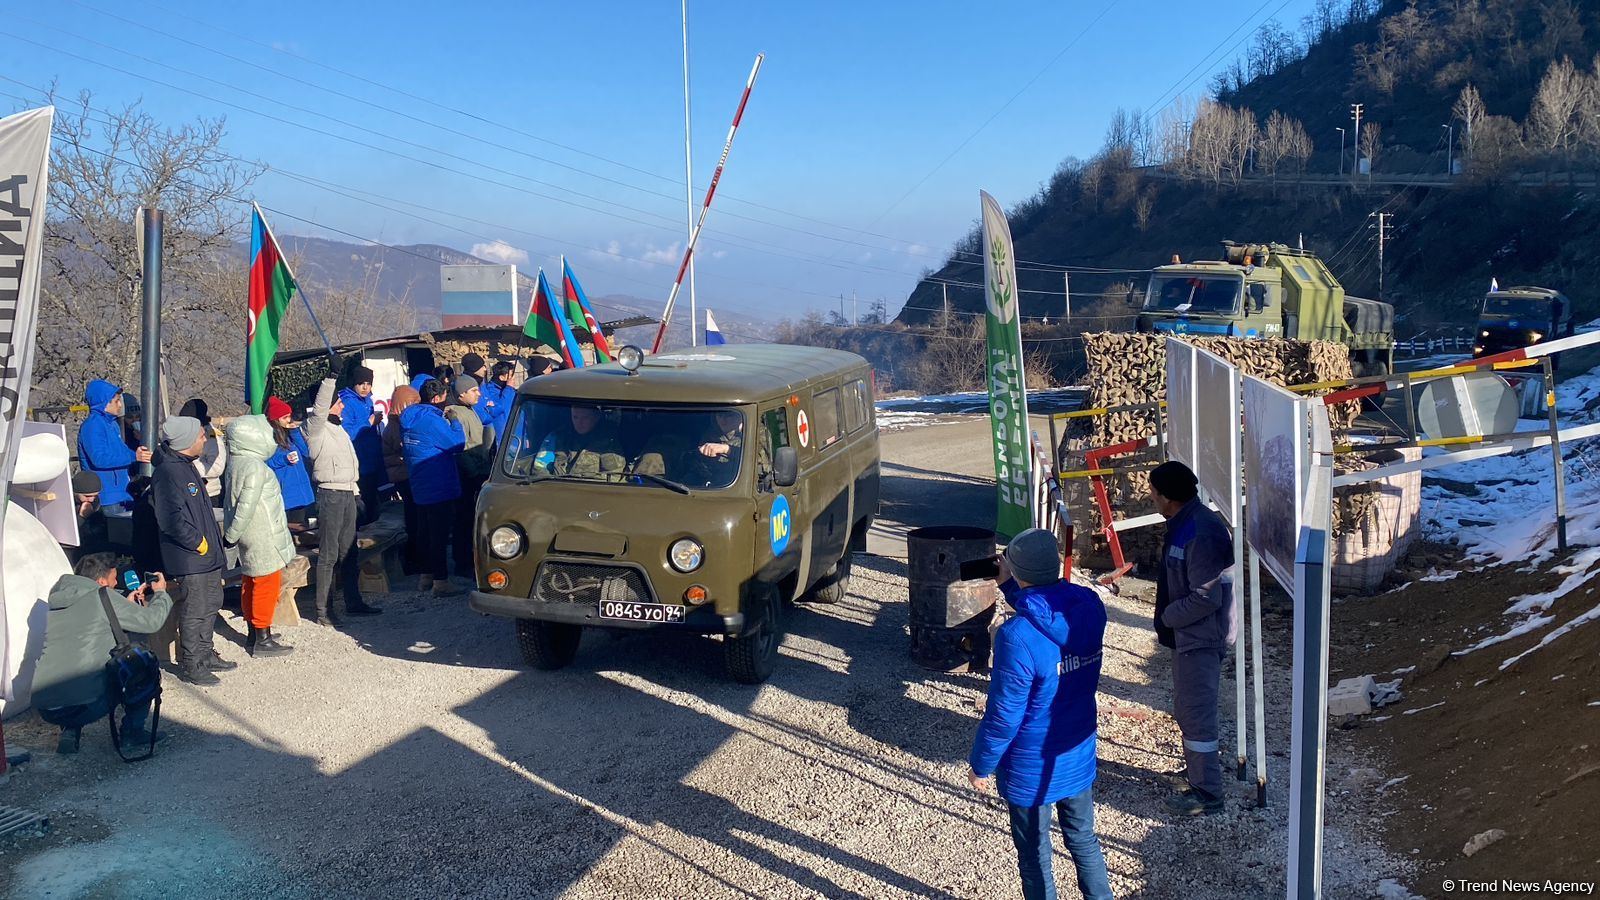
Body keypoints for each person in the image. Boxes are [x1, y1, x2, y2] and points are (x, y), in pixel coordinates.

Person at [968, 528, 1113, 900]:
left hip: (1030, 764)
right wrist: (1012, 587)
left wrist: (982, 764)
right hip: (1076, 751)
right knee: (1084, 841)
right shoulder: (1089, 607)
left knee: (1035, 856)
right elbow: (1052, 617)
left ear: (1018, 572)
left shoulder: (1016, 636)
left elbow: (1004, 715)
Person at [1148, 460, 1235, 817]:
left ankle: (1207, 794)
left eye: (1153, 491)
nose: (1150, 496)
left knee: (1197, 715)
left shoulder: (1199, 531)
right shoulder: (1186, 523)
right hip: (1189, 637)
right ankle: (1198, 772)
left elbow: (1206, 597)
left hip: (1199, 639)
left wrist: (1168, 617)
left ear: (1168, 497)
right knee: (1187, 710)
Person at [32, 553, 174, 754]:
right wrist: (160, 594)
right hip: (86, 704)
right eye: (114, 579)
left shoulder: (58, 600)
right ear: (100, 581)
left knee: (73, 667)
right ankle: (132, 733)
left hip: (47, 707)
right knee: (142, 665)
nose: (116, 583)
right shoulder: (103, 597)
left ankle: (69, 731)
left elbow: (91, 626)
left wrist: (123, 604)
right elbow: (151, 621)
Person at [151, 416, 231, 686]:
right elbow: (170, 518)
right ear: (186, 441)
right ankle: (192, 662)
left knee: (211, 603)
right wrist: (198, 542)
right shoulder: (167, 473)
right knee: (195, 609)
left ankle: (206, 653)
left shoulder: (186, 466)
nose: (204, 439)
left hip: (205, 555)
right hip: (190, 557)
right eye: (200, 435)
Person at [305, 373, 382, 625]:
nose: (342, 405)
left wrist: (356, 492)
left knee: (349, 551)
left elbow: (350, 463)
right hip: (330, 495)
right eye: (338, 402)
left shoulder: (338, 430)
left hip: (347, 492)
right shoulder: (314, 429)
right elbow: (319, 408)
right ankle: (323, 610)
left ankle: (353, 601)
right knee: (329, 554)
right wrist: (330, 379)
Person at [223, 415, 298, 657]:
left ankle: (254, 632)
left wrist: (233, 534)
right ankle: (262, 638)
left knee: (250, 582)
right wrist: (232, 533)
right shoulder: (255, 467)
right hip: (263, 532)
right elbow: (246, 504)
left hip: (250, 533)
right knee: (267, 582)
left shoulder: (237, 462)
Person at [401, 378, 467, 596]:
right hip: (439, 484)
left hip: (419, 483)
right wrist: (455, 422)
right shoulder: (432, 421)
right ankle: (441, 582)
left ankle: (426, 576)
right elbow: (457, 444)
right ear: (437, 398)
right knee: (438, 535)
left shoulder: (409, 418)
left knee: (424, 532)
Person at [446, 376, 493, 579]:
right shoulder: (456, 413)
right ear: (461, 394)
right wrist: (473, 473)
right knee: (464, 519)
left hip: (479, 469)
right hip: (467, 475)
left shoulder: (470, 410)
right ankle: (462, 562)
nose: (478, 393)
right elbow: (461, 448)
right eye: (473, 390)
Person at [77, 380, 150, 508]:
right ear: (104, 402)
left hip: (122, 492)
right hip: (106, 496)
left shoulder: (112, 425)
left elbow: (121, 451)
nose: (120, 405)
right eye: (116, 401)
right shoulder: (92, 426)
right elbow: (99, 459)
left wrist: (139, 454)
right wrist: (134, 457)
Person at [337, 366, 385, 525]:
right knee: (363, 504)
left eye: (368, 384)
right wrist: (369, 422)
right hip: (358, 460)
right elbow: (347, 433)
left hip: (372, 458)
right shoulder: (347, 403)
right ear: (354, 384)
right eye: (361, 383)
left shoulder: (368, 401)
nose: (365, 387)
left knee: (374, 501)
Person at [383, 385, 422, 575]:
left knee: (414, 518)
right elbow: (402, 450)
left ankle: (414, 558)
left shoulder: (396, 424)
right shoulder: (396, 427)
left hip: (405, 474)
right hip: (404, 476)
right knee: (413, 519)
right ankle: (413, 559)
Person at [532, 405, 625, 478]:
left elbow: (613, 477)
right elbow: (540, 468)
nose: (579, 422)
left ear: (596, 418)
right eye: (575, 417)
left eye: (585, 418)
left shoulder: (608, 442)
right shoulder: (556, 438)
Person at [265, 397, 314, 525]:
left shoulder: (291, 436)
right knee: (293, 527)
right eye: (284, 417)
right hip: (288, 493)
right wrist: (284, 460)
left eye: (289, 416)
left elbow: (306, 452)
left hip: (303, 491)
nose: (288, 420)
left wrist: (294, 431)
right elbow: (267, 462)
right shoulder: (269, 439)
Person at [179, 399, 228, 507]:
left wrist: (189, 465)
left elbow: (217, 466)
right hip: (185, 491)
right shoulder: (183, 435)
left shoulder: (211, 437)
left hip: (208, 494)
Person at [69, 470, 111, 561]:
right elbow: (69, 533)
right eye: (87, 496)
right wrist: (81, 517)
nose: (91, 499)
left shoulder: (95, 502)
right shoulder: (67, 504)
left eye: (95, 495)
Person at [477, 360, 517, 444]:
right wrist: (509, 387)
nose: (513, 378)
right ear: (502, 377)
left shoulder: (508, 390)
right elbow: (502, 407)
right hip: (504, 437)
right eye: (511, 375)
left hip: (516, 434)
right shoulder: (490, 391)